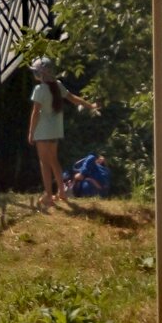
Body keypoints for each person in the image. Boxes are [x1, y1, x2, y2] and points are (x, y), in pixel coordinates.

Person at [27, 56, 99, 210]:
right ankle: (62, 192)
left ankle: (48, 195)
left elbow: (35, 113)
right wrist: (89, 105)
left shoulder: (39, 90)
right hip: (55, 131)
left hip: (42, 132)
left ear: (41, 74)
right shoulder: (58, 85)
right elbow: (73, 98)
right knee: (54, 161)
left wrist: (31, 132)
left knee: (44, 163)